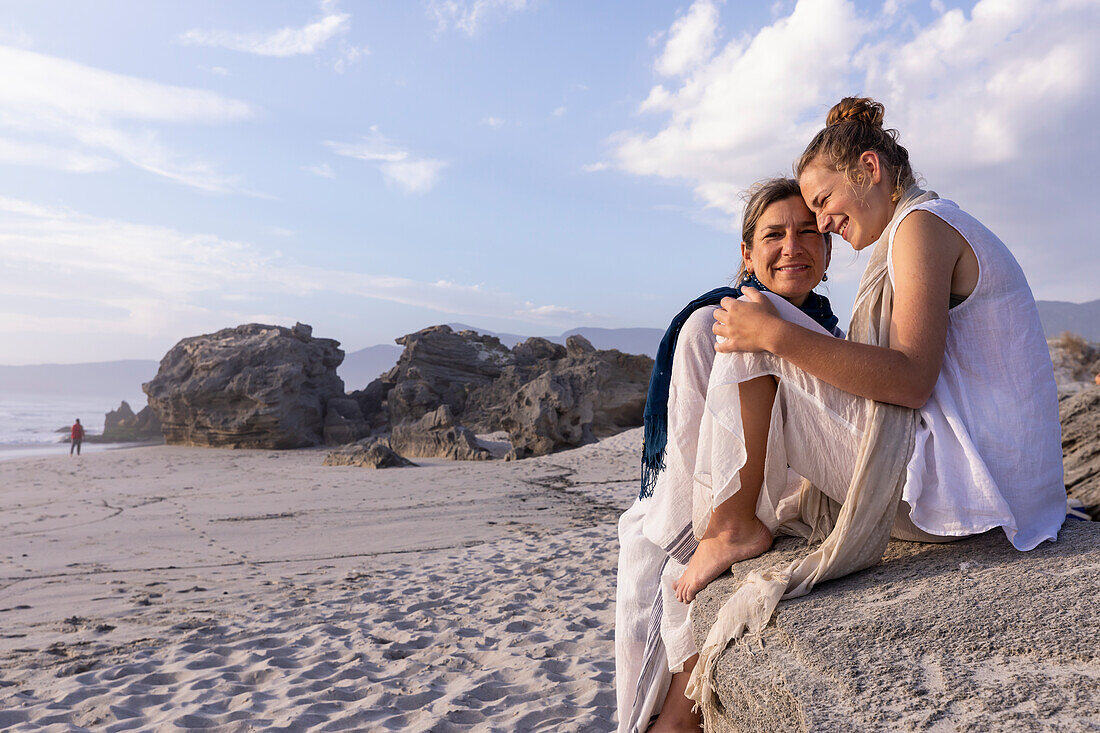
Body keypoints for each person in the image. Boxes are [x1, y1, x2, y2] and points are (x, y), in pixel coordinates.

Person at [672, 98, 1065, 725]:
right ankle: (720, 521)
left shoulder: (921, 229)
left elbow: (909, 380)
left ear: (870, 169)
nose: (823, 222)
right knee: (756, 325)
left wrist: (775, 336)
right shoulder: (926, 224)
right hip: (1002, 487)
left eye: (824, 202)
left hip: (973, 494)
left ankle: (733, 526)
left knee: (758, 321)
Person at [615, 178, 842, 733]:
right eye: (774, 235)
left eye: (808, 232)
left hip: (782, 509)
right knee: (674, 707)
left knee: (685, 710)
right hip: (698, 515)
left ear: (829, 249)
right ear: (747, 254)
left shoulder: (830, 332)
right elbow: (687, 457)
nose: (793, 246)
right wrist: (712, 535)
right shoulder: (712, 323)